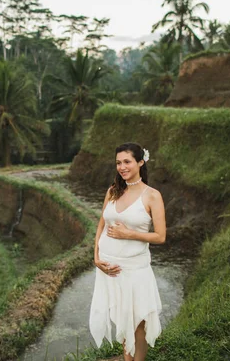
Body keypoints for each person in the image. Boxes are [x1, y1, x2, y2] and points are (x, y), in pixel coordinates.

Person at [89, 142, 166, 361]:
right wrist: (96, 258)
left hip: (134, 269)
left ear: (141, 162)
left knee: (137, 323)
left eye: (127, 162)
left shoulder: (152, 196)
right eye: (118, 163)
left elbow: (160, 236)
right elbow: (101, 225)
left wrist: (129, 234)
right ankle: (126, 358)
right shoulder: (113, 191)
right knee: (123, 318)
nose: (122, 167)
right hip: (108, 268)